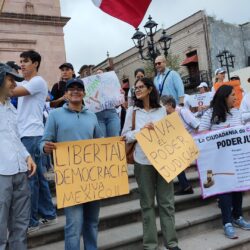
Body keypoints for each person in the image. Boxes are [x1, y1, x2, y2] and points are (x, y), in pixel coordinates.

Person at [40, 78, 103, 250]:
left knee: (92, 222)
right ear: (66, 94)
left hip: (92, 178)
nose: (75, 91)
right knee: (73, 226)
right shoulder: (55, 115)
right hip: (70, 180)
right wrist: (45, 148)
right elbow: (44, 142)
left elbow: (100, 143)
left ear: (84, 93)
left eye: (79, 88)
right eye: (71, 89)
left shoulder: (92, 116)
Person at [122, 78, 180, 250]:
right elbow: (124, 136)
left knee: (167, 202)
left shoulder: (162, 110)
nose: (137, 90)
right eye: (135, 88)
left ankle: (171, 243)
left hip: (164, 161)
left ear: (149, 89)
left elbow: (170, 133)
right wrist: (141, 131)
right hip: (142, 161)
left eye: (141, 87)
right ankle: (150, 245)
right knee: (147, 204)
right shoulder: (132, 111)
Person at [12, 50, 57, 233]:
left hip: (32, 135)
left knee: (30, 179)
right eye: (20, 61)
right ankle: (49, 213)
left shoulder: (38, 81)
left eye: (26, 61)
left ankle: (31, 221)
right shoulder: (26, 82)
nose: (22, 65)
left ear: (36, 64)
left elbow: (12, 91)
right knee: (37, 176)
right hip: (27, 135)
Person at [199, 85, 250, 239]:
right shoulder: (210, 114)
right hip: (218, 162)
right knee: (225, 190)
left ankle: (238, 216)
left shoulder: (237, 112)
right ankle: (227, 222)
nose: (236, 98)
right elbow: (201, 135)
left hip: (235, 159)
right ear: (224, 97)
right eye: (233, 95)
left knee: (237, 188)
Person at [0, 63, 36, 250]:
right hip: (2, 174)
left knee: (21, 225)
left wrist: (27, 156)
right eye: (10, 79)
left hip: (20, 172)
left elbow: (15, 138)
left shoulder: (10, 108)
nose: (14, 84)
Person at [161, 95, 200, 195]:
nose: (162, 109)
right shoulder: (167, 117)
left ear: (169, 105)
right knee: (175, 161)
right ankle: (185, 186)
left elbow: (197, 125)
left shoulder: (183, 112)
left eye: (163, 106)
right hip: (180, 144)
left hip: (192, 143)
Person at [94, 69, 121, 137]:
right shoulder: (93, 89)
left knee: (114, 137)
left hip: (111, 113)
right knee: (102, 140)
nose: (99, 74)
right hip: (98, 116)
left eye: (100, 73)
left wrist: (120, 98)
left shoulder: (111, 85)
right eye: (97, 74)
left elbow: (117, 105)